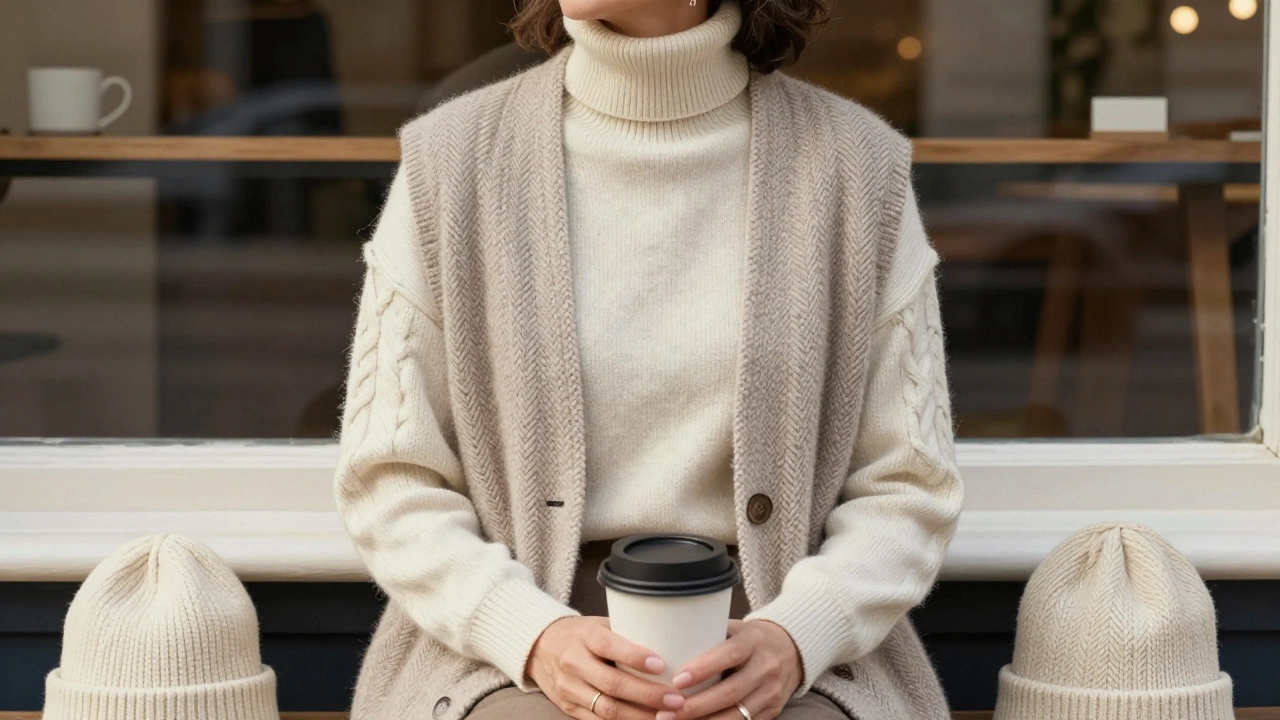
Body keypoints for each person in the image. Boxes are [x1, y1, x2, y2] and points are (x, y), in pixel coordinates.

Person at [333, 0, 964, 719]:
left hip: (783, 653)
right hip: (511, 656)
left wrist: (795, 638)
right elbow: (389, 476)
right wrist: (535, 635)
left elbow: (908, 482)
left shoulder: (856, 169)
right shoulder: (451, 165)